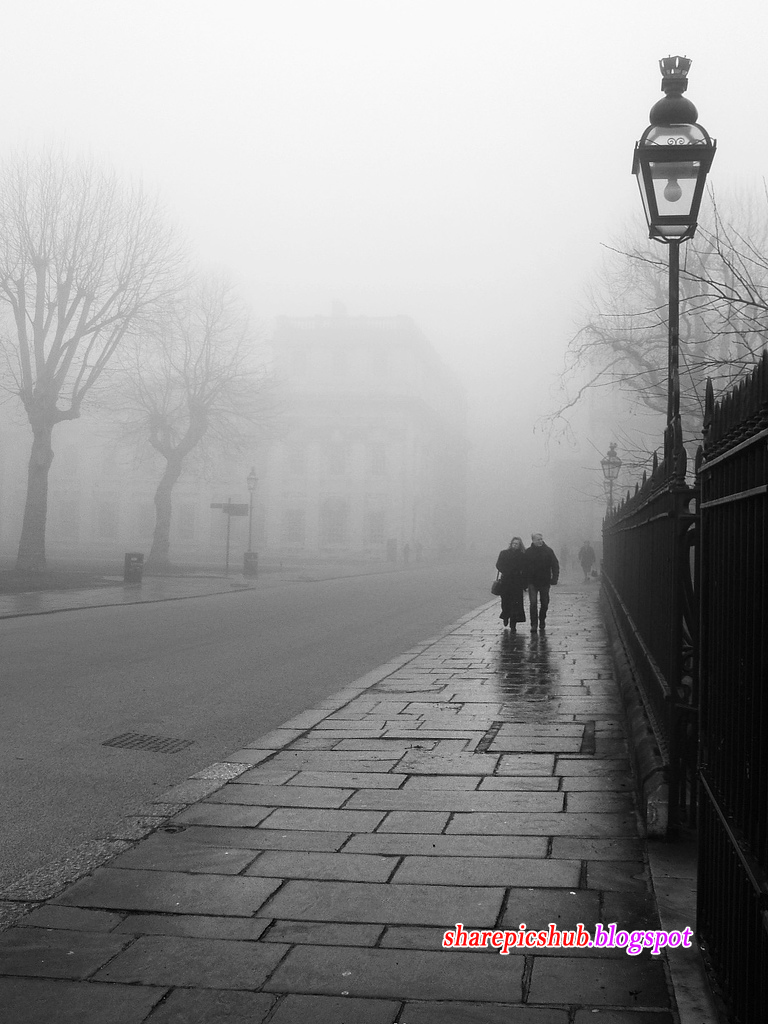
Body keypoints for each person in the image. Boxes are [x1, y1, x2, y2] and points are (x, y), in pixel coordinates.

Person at [524, 533, 559, 633]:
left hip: (544, 581)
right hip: (532, 582)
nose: (540, 541)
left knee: (545, 603)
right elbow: (524, 567)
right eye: (538, 539)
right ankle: (534, 624)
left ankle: (542, 619)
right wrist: (525, 582)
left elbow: (555, 565)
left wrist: (554, 578)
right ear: (533, 540)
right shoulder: (528, 552)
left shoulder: (548, 551)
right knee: (533, 603)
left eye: (541, 539)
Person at [495, 537, 527, 630]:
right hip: (506, 581)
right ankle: (505, 615)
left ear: (519, 545)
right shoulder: (504, 553)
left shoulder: (522, 555)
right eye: (513, 543)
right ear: (511, 544)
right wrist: (505, 571)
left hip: (517, 582)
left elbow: (525, 568)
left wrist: (524, 583)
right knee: (505, 601)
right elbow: (498, 564)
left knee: (515, 604)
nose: (515, 545)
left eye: (517, 544)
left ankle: (513, 623)